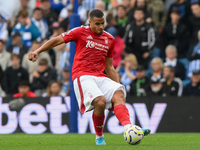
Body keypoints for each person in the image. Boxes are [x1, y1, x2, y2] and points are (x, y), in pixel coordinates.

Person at [28, 9, 150, 145]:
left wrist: (117, 87)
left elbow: (109, 66)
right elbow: (57, 40)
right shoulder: (80, 32)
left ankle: (129, 128)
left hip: (100, 76)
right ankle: (99, 137)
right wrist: (37, 51)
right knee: (100, 101)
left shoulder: (109, 39)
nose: (101, 27)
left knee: (119, 93)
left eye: (103, 23)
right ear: (90, 22)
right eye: (97, 24)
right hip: (83, 75)